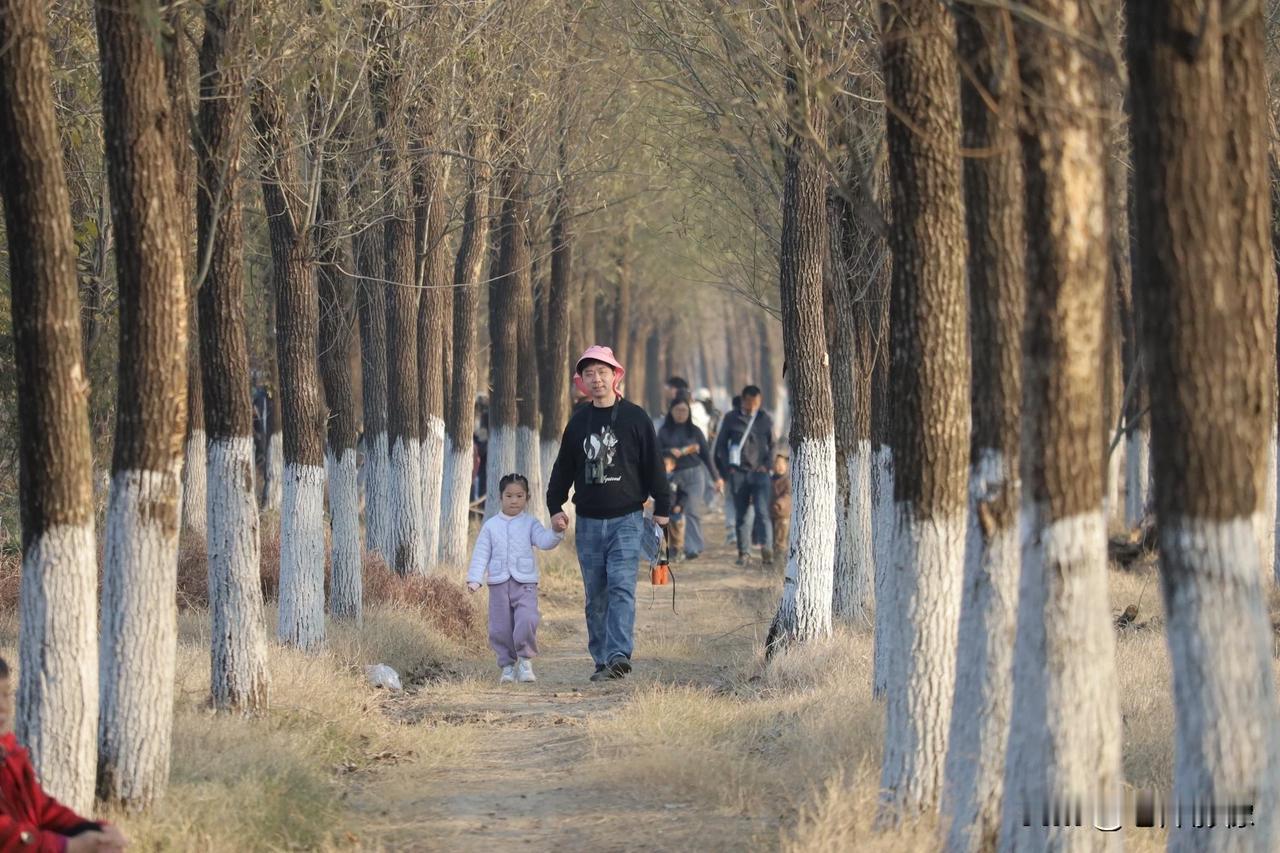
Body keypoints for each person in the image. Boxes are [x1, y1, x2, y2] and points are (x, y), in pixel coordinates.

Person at [547, 345, 671, 682]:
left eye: (602, 372)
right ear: (582, 382)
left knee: (621, 587)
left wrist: (663, 507)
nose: (596, 379)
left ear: (615, 375)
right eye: (589, 374)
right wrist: (555, 506)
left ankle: (619, 655)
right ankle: (601, 659)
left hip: (628, 519)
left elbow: (654, 464)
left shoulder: (635, 417)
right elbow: (563, 469)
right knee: (596, 596)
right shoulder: (578, 423)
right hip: (587, 522)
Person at [0, 658, 128, 852]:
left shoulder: (10, 757)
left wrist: (96, 831)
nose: (3, 706)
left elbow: (42, 809)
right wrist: (69, 846)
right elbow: (6, 836)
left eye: (6, 694)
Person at [467, 474, 563, 684]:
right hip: (499, 584)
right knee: (500, 627)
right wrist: (475, 578)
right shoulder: (491, 526)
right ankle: (508, 667)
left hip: (525, 583)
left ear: (527, 498)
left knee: (527, 619)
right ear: (500, 497)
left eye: (519, 496)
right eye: (509, 495)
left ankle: (525, 661)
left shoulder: (530, 523)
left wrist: (556, 531)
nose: (514, 500)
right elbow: (481, 553)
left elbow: (544, 541)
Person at [714, 385, 776, 566]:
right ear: (743, 400)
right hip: (738, 474)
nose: (753, 406)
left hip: (760, 473)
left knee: (762, 511)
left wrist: (767, 466)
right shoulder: (731, 418)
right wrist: (728, 469)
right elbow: (721, 446)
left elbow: (773, 445)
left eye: (757, 402)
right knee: (742, 514)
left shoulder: (765, 419)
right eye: (750, 402)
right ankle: (744, 552)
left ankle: (767, 549)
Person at [657, 396, 721, 560]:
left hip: (694, 474)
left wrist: (716, 477)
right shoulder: (664, 432)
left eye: (684, 410)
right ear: (671, 412)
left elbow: (706, 456)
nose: (681, 413)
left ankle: (693, 547)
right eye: (677, 410)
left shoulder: (695, 431)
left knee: (692, 510)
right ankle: (673, 547)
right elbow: (656, 454)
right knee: (672, 511)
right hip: (672, 476)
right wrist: (670, 452)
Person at [661, 452, 689, 557]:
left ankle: (678, 551)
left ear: (672, 466)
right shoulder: (658, 479)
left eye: (666, 465)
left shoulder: (677, 479)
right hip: (662, 512)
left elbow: (684, 494)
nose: (663, 467)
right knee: (663, 534)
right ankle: (664, 552)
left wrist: (680, 505)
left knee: (676, 533)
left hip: (675, 512)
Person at [770, 452, 792, 556]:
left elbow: (788, 495)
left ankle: (780, 563)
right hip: (772, 513)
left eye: (782, 464)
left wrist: (779, 503)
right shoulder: (771, 479)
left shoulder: (788, 480)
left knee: (781, 540)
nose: (780, 467)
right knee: (772, 538)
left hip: (783, 514)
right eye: (777, 464)